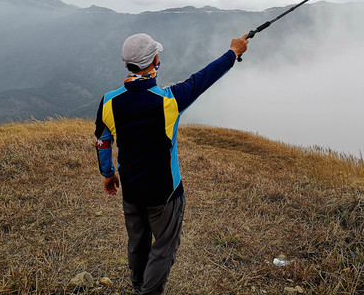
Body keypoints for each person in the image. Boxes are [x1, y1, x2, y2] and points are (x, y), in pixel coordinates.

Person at [94, 32, 248, 295]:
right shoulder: (169, 101)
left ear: (127, 64)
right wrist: (233, 53)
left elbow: (102, 142)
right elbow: (203, 78)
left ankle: (138, 285)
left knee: (137, 244)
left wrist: (108, 173)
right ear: (155, 60)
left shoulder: (109, 101)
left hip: (131, 190)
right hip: (166, 193)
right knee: (164, 248)